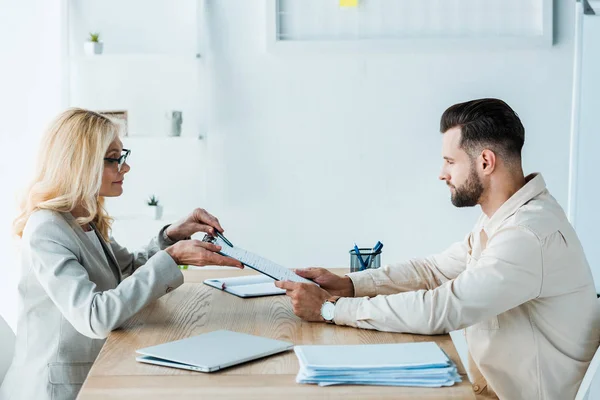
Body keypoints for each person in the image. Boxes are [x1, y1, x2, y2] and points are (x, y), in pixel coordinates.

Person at [275, 98, 600, 399]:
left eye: (449, 161)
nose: (442, 174)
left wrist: (330, 310)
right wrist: (350, 285)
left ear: (485, 161)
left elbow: (443, 308)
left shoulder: (527, 234)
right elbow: (435, 270)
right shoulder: (506, 217)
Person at [0, 108, 243, 400]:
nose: (124, 168)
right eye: (114, 159)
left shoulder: (81, 218)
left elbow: (128, 270)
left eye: (121, 156)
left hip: (96, 372)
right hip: (58, 390)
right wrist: (173, 258)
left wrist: (171, 236)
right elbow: (94, 316)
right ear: (80, 164)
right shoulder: (47, 229)